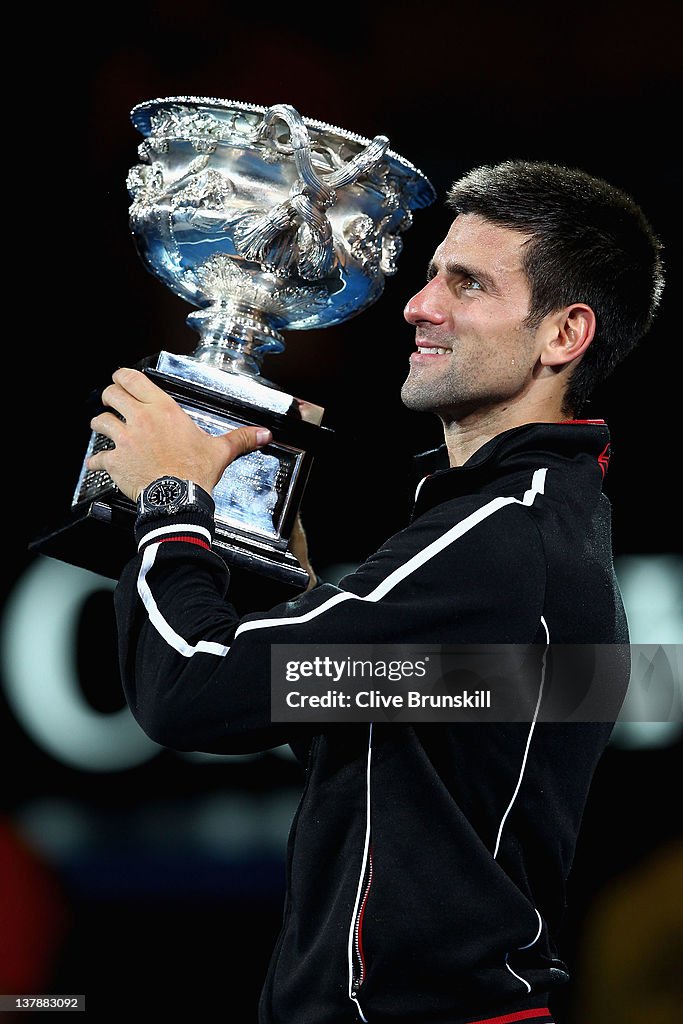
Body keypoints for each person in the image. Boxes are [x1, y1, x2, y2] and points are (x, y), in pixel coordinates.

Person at [88, 159, 665, 1024]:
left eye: (466, 283)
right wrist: (279, 582)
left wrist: (169, 504)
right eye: (431, 273)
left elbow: (191, 694)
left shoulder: (497, 538)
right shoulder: (537, 527)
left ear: (562, 335)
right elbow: (364, 745)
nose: (418, 304)